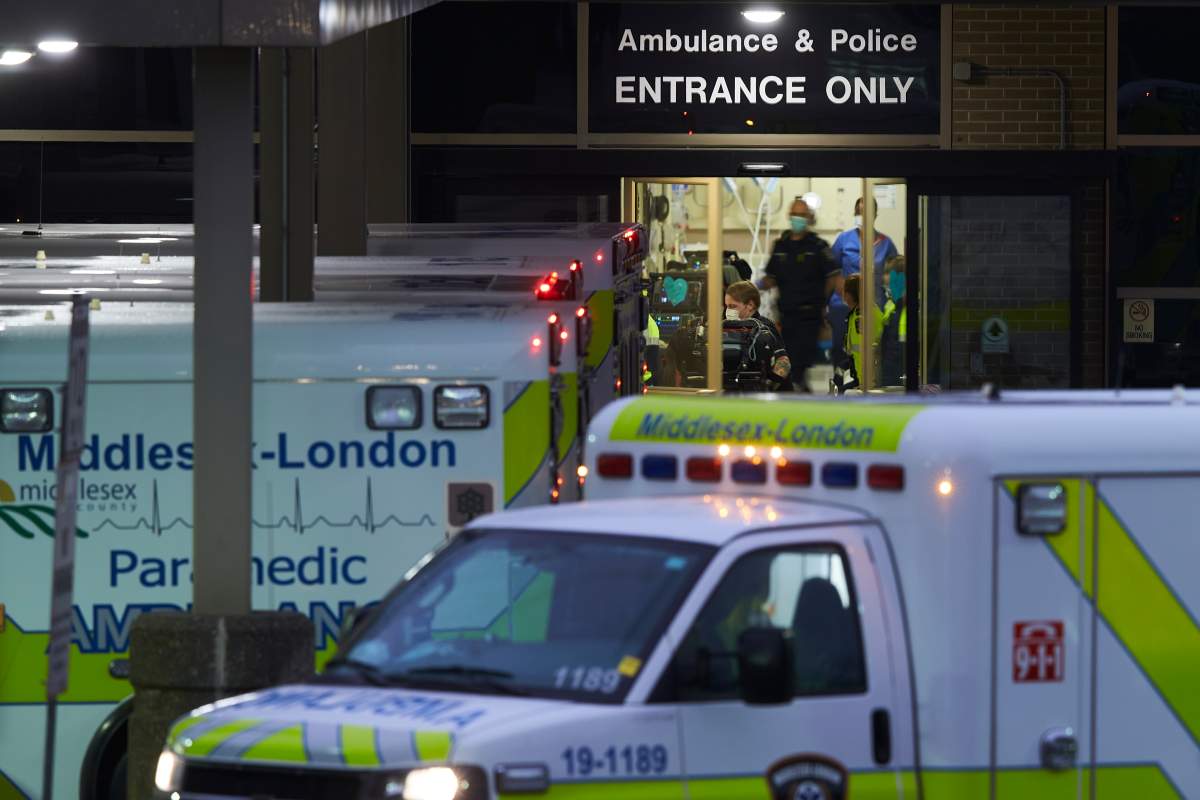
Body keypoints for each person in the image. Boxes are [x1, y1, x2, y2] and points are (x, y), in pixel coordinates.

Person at [763, 197, 840, 392]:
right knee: (789, 361)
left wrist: (823, 302)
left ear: (810, 218)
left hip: (809, 315)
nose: (799, 218)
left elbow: (833, 277)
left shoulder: (818, 246)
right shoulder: (781, 245)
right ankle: (799, 392)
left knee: (800, 362)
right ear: (790, 216)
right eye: (795, 214)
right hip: (786, 315)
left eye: (803, 215)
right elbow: (770, 277)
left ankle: (799, 393)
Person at [829, 197, 899, 367]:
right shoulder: (843, 240)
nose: (863, 216)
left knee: (874, 352)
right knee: (843, 351)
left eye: (867, 212)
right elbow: (831, 272)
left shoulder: (885, 243)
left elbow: (896, 274)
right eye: (859, 212)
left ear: (875, 215)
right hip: (844, 307)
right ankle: (842, 385)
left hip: (875, 307)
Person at [724, 280, 792, 391]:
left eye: (733, 306)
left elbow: (784, 362)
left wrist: (768, 387)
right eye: (727, 306)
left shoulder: (764, 327)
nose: (728, 310)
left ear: (750, 305)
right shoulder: (729, 329)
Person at [836, 274, 883, 393]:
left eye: (845, 291)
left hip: (868, 380)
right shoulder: (857, 313)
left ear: (850, 295)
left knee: (841, 394)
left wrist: (864, 383)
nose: (843, 294)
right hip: (860, 375)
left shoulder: (862, 316)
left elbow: (866, 352)